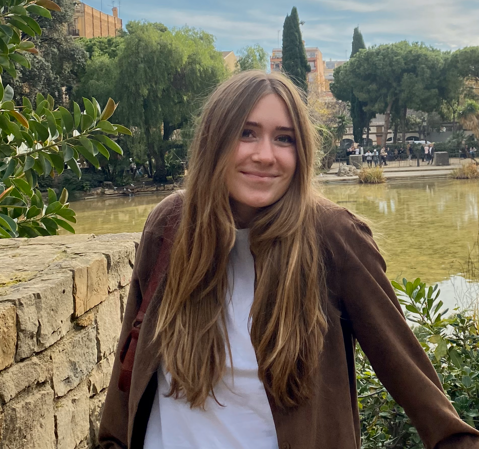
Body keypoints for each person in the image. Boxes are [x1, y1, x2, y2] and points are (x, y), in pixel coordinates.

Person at [99, 71, 479, 449]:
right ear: (213, 140)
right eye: (246, 133)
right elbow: (130, 360)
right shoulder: (170, 225)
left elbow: (406, 371)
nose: (265, 155)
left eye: (284, 139)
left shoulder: (333, 236)